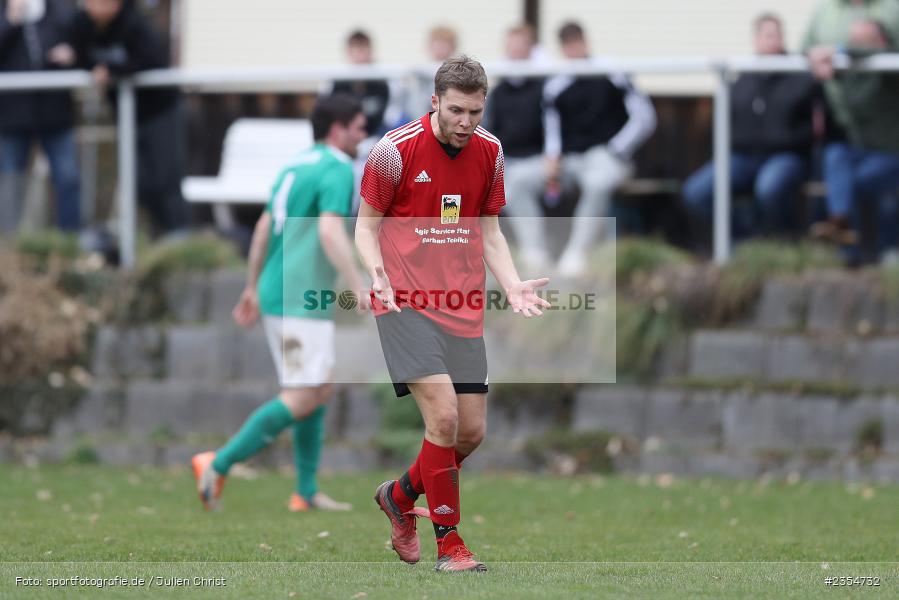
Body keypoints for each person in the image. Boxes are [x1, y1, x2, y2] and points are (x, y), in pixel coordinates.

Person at [356, 55, 551, 572]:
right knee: (442, 418)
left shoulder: (491, 151)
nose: (467, 122)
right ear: (435, 102)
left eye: (476, 111)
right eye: (458, 110)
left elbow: (490, 232)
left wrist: (512, 286)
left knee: (470, 433)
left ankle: (398, 497)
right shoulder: (393, 152)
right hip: (403, 301)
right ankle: (451, 547)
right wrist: (377, 274)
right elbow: (365, 226)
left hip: (460, 304)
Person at [191, 94, 371, 513]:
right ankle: (216, 463)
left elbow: (262, 228)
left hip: (280, 292)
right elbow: (329, 231)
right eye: (359, 127)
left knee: (317, 386)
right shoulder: (337, 168)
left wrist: (252, 286)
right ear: (338, 128)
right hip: (300, 297)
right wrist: (358, 284)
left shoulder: (295, 165)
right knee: (305, 394)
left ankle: (305, 491)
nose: (363, 135)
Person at [522, 21, 656, 277]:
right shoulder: (556, 84)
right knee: (516, 183)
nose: (574, 48)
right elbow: (552, 127)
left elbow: (644, 117)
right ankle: (534, 253)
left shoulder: (611, 72)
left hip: (606, 157)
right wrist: (553, 156)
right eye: (568, 44)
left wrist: (617, 149)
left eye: (577, 41)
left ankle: (577, 254)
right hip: (569, 161)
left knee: (598, 183)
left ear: (585, 41)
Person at [682, 13, 821, 242]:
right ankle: (746, 241)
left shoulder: (800, 76)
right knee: (696, 192)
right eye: (766, 35)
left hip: (786, 156)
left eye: (776, 35)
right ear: (755, 40)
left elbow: (815, 123)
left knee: (769, 188)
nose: (772, 40)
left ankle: (782, 244)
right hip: (743, 157)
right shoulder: (742, 78)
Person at [68, 0, 187, 235]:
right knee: (137, 181)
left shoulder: (135, 23)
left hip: (159, 110)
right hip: (127, 114)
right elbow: (81, 59)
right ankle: (153, 234)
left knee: (165, 177)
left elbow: (152, 60)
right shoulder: (81, 25)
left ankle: (178, 234)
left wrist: (112, 70)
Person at [804, 0, 899, 247]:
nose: (856, 45)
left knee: (854, 182)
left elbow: (879, 54)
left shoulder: (889, 68)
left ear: (879, 40)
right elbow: (808, 52)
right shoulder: (850, 70)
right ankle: (840, 224)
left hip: (891, 152)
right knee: (835, 156)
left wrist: (839, 50)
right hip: (861, 148)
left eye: (862, 40)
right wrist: (819, 59)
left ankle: (875, 250)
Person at [0, 0, 80, 233]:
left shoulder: (61, 10)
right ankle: (7, 245)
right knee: (10, 180)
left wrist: (71, 53)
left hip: (55, 111)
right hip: (12, 115)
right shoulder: (5, 11)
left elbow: (81, 43)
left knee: (68, 177)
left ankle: (70, 241)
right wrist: (10, 22)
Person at [483, 24, 549, 269]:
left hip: (537, 160)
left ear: (530, 50)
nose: (515, 53)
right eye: (511, 48)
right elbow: (489, 132)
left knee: (515, 186)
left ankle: (534, 251)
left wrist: (552, 158)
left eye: (520, 48)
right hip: (506, 160)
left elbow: (553, 130)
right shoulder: (498, 92)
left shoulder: (545, 87)